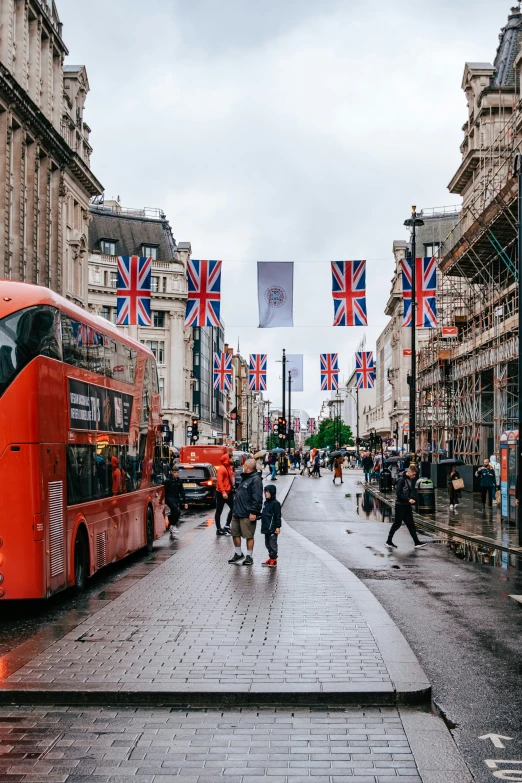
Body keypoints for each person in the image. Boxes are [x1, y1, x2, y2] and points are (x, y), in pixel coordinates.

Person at [229, 458, 263, 566]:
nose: (243, 467)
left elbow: (257, 498)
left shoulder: (256, 479)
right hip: (237, 511)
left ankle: (249, 556)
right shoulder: (245, 477)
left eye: (244, 465)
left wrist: (254, 512)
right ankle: (238, 553)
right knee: (235, 533)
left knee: (249, 535)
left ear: (247, 467)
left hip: (247, 513)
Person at [386, 466, 427, 550]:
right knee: (397, 524)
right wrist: (408, 499)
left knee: (411, 524)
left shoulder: (409, 479)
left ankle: (416, 542)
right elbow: (399, 493)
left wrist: (412, 498)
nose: (414, 476)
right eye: (414, 474)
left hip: (406, 505)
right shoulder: (401, 480)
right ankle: (388, 541)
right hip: (400, 505)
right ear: (410, 471)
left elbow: (408, 491)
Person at [163, 466, 188, 539]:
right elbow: (164, 492)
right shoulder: (168, 481)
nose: (176, 474)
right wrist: (164, 502)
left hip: (176, 499)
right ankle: (173, 525)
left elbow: (182, 491)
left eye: (177, 472)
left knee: (173, 513)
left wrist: (185, 502)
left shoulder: (179, 481)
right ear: (172, 472)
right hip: (169, 498)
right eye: (175, 472)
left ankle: (171, 529)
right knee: (177, 511)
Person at [260, 484, 282, 567]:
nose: (266, 494)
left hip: (272, 528)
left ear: (272, 493)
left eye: (268, 492)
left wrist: (278, 526)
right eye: (265, 492)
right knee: (267, 544)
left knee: (272, 543)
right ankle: (271, 557)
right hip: (266, 527)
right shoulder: (266, 503)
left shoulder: (275, 504)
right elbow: (264, 514)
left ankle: (274, 558)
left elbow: (277, 515)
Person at [215, 453, 235, 535]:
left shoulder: (228, 468)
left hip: (228, 492)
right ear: (227, 459)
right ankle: (219, 529)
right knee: (219, 511)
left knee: (234, 508)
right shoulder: (221, 469)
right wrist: (223, 492)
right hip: (221, 493)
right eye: (231, 458)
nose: (233, 460)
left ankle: (226, 526)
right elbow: (219, 482)